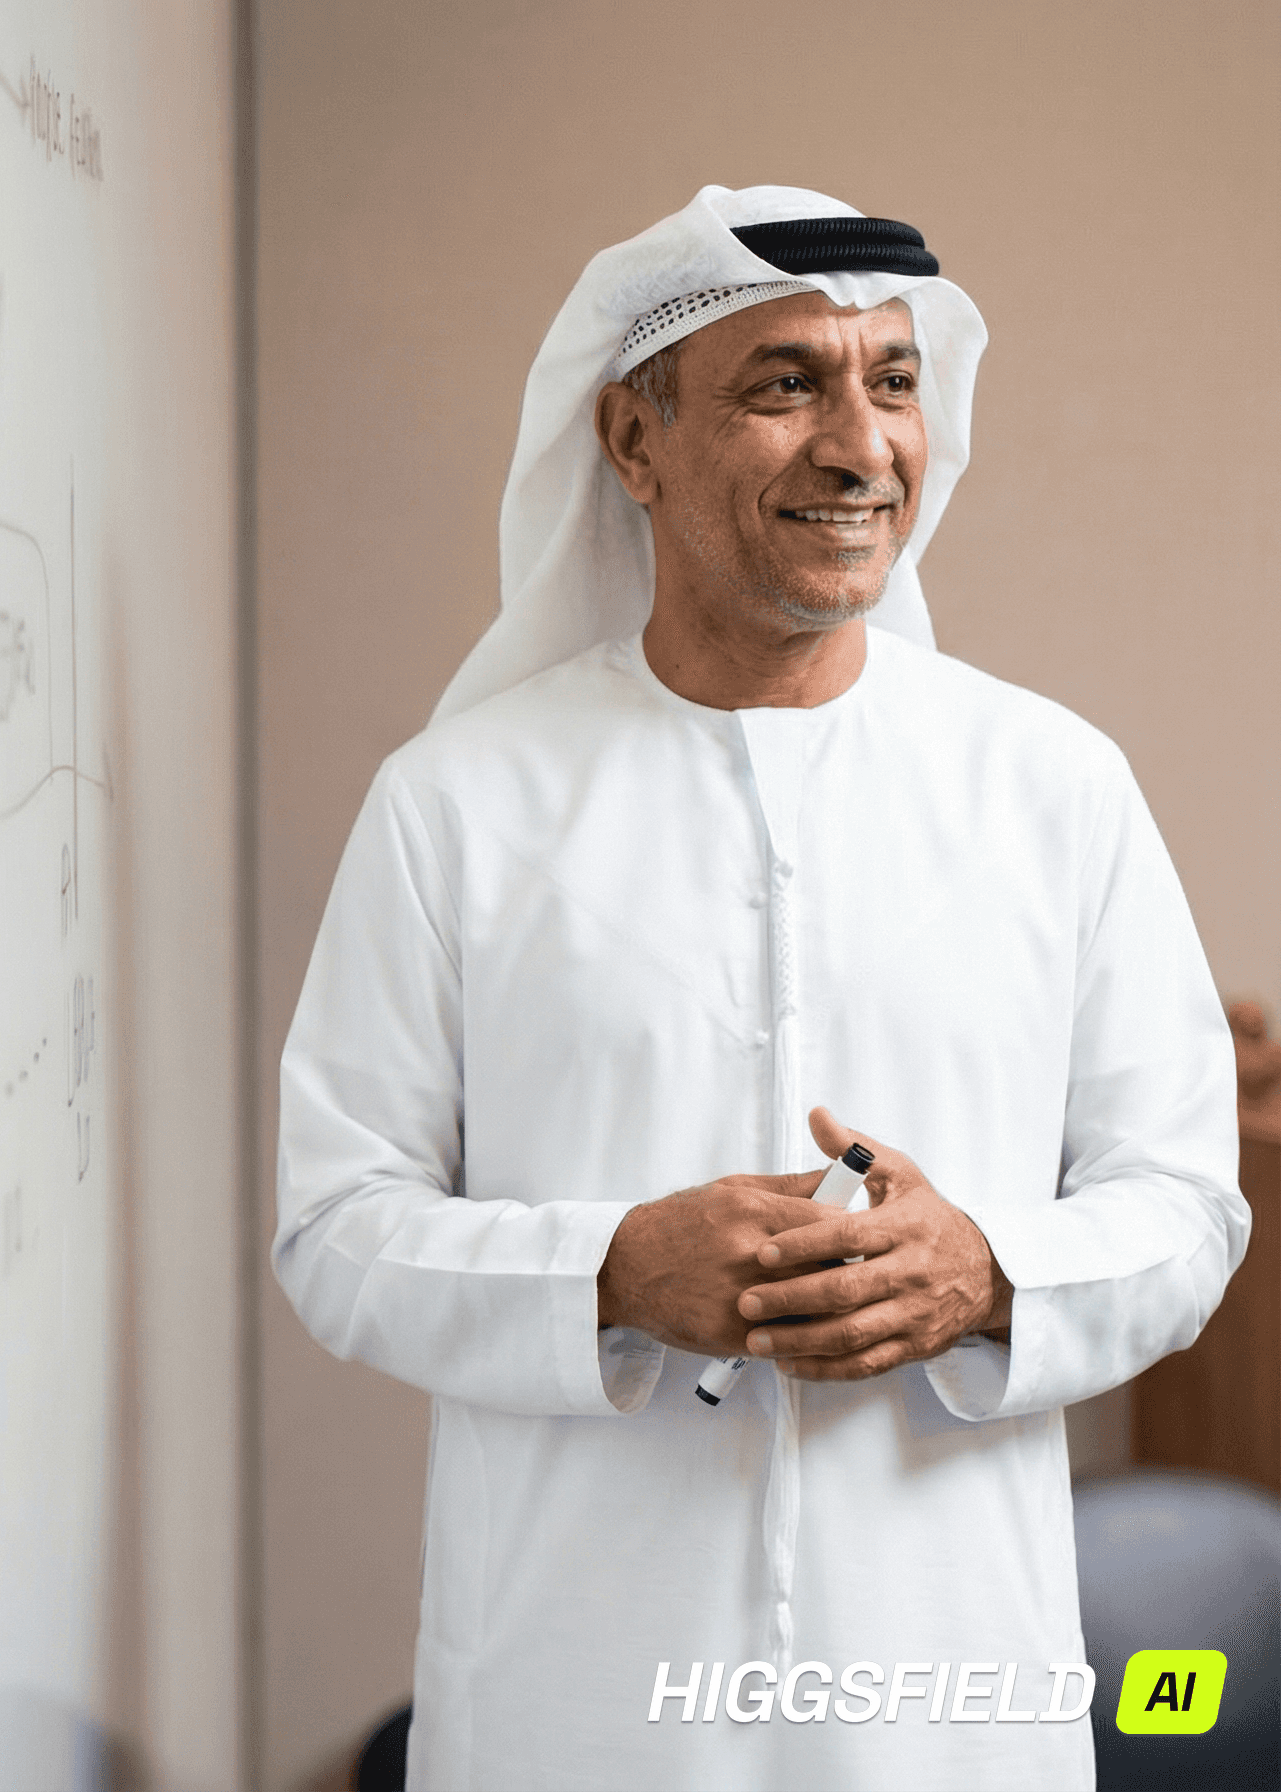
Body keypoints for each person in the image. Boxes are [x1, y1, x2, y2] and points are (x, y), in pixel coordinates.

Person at [274, 185, 1249, 1789]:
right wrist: (611, 1273)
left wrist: (989, 1273)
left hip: (949, 1710)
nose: (862, 447)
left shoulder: (1055, 788)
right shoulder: (459, 806)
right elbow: (334, 1227)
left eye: (894, 381)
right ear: (633, 440)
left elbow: (1189, 1207)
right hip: (579, 1711)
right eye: (787, 384)